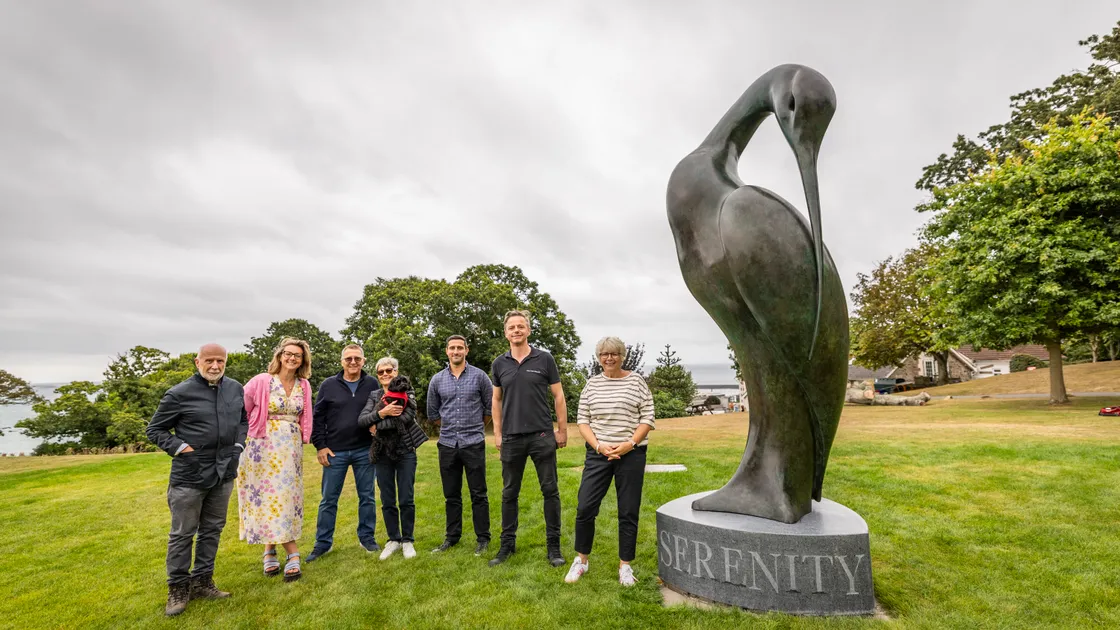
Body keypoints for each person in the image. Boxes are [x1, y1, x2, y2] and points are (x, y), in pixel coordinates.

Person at [146, 343, 248, 617]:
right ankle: (178, 588)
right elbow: (155, 429)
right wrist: (182, 448)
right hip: (189, 476)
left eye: (220, 361)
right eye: (209, 361)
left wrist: (238, 447)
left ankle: (203, 582)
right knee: (182, 534)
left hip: (224, 472)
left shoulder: (235, 388)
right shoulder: (178, 394)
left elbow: (242, 421)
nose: (215, 366)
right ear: (197, 362)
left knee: (212, 529)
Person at [564, 336, 655, 587]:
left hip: (631, 455)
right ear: (599, 357)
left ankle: (625, 565)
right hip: (598, 454)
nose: (609, 358)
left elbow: (647, 417)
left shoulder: (636, 381)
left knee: (628, 510)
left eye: (614, 353)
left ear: (622, 356)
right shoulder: (592, 385)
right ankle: (581, 560)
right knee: (585, 508)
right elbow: (582, 420)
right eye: (604, 354)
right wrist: (599, 446)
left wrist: (629, 444)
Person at [489, 309, 568, 568]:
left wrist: (562, 430)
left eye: (521, 326)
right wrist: (498, 433)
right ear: (506, 333)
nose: (516, 331)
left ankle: (553, 547)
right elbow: (496, 399)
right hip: (511, 438)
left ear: (529, 330)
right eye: (512, 327)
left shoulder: (544, 359)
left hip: (542, 435)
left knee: (550, 491)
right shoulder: (499, 364)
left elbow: (558, 396)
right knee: (509, 493)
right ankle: (506, 546)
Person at [237, 338, 314, 582]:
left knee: (285, 498)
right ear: (280, 356)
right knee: (268, 497)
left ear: (303, 360)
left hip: (290, 449)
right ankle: (292, 553)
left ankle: (269, 549)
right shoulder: (261, 381)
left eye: (298, 355)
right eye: (288, 353)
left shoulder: (304, 385)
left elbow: (306, 415)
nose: (292, 358)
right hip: (261, 447)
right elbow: (241, 409)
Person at [307, 343, 380, 562]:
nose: (353, 362)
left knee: (366, 497)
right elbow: (317, 417)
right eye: (348, 358)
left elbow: (378, 410)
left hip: (364, 449)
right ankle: (323, 544)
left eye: (357, 358)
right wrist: (320, 445)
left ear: (363, 361)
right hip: (334, 452)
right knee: (328, 499)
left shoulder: (372, 383)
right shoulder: (329, 385)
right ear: (342, 361)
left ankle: (366, 537)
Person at [427, 335, 494, 556]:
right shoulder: (437, 380)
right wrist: (451, 428)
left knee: (479, 493)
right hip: (447, 444)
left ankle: (483, 539)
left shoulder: (480, 377)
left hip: (473, 442)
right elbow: (433, 413)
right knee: (451, 494)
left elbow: (488, 409)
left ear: (467, 350)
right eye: (452, 348)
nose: (456, 351)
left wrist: (473, 427)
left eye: (460, 348)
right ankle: (452, 538)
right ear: (446, 351)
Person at [358, 357, 428, 560]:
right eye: (381, 372)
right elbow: (362, 420)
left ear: (396, 372)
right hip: (382, 453)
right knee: (387, 498)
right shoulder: (375, 395)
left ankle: (408, 540)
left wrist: (377, 425)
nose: (385, 374)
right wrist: (382, 413)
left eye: (389, 370)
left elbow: (406, 419)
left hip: (405, 451)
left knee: (406, 498)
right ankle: (393, 539)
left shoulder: (408, 392)